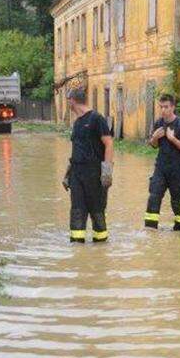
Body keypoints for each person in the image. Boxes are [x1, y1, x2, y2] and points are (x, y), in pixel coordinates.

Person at [63, 86, 114, 243]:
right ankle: (77, 247)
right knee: (77, 210)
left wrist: (107, 172)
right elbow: (76, 151)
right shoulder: (78, 123)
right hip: (77, 174)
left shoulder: (96, 119)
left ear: (72, 101)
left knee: (97, 210)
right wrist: (67, 174)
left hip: (94, 173)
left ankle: (101, 247)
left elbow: (109, 144)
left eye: (68, 101)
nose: (68, 105)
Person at [143, 94, 180, 231]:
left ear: (172, 107)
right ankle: (150, 230)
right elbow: (154, 145)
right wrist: (154, 138)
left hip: (177, 170)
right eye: (161, 107)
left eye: (166, 107)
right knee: (154, 196)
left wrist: (172, 139)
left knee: (177, 201)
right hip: (161, 167)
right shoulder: (159, 123)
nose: (163, 110)